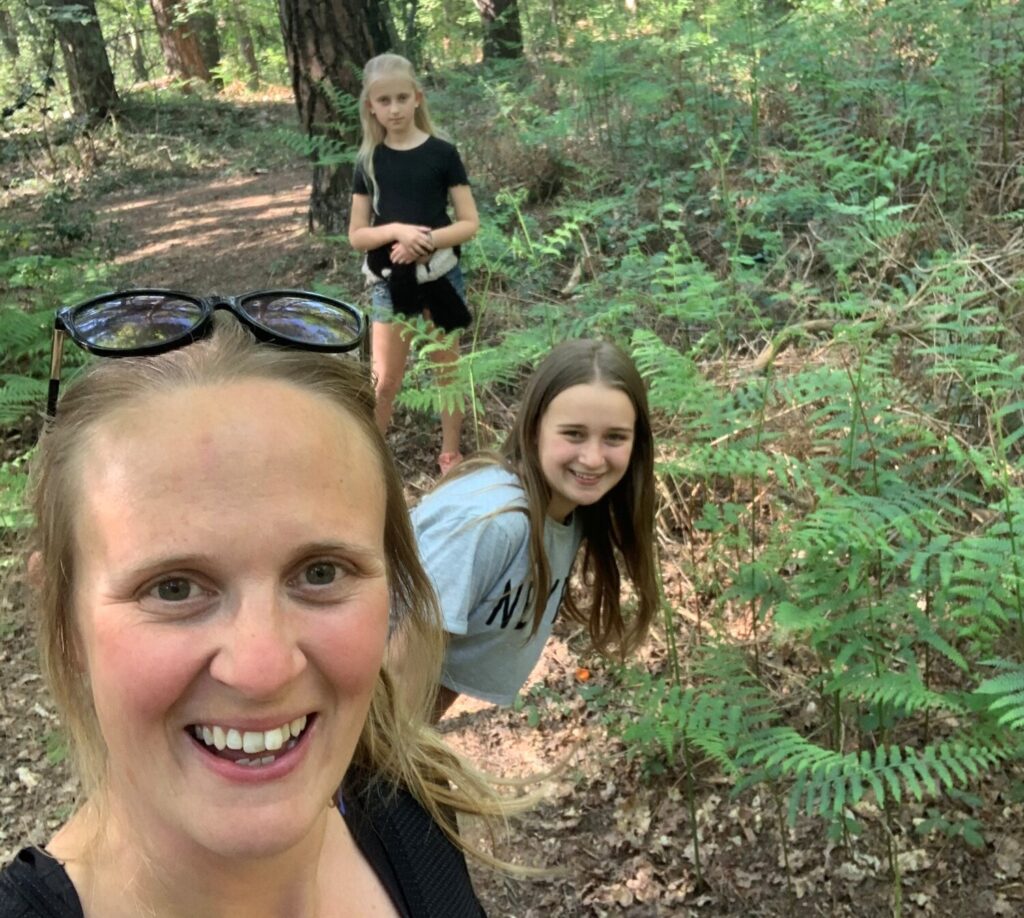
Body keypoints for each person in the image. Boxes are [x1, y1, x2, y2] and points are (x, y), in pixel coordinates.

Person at [0, 290, 504, 918]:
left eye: (320, 572)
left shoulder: (414, 813)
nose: (262, 669)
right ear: (65, 619)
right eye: (174, 588)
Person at [409, 339, 659, 719]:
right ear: (534, 427)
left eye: (615, 437)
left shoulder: (567, 517)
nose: (592, 458)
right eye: (573, 434)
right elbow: (394, 666)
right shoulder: (494, 523)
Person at [348, 52, 480, 477]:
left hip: (441, 274)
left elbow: (468, 222)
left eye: (402, 97)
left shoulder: (442, 153)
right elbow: (357, 235)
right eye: (384, 100)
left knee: (448, 371)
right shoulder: (368, 162)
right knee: (384, 379)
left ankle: (450, 455)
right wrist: (399, 232)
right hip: (390, 281)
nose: (394, 108)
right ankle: (369, 461)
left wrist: (425, 242)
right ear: (371, 105)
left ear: (418, 98)